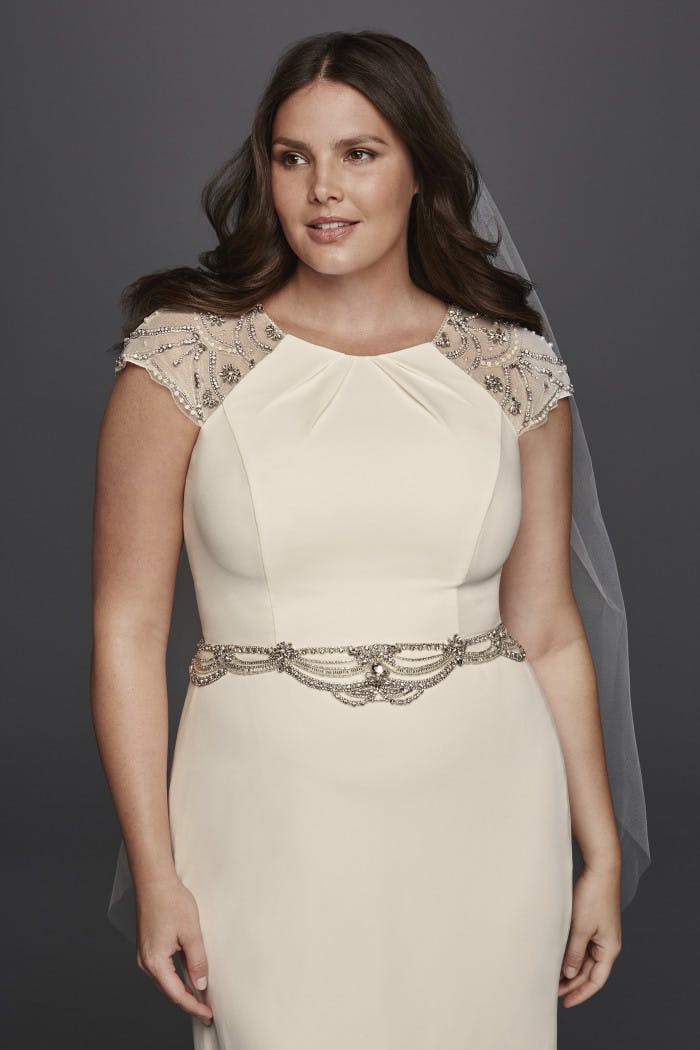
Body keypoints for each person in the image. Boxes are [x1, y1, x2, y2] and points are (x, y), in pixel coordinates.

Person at [91, 29, 648, 1050]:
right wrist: (157, 873)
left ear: (419, 169)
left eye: (360, 153)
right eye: (292, 156)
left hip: (488, 805)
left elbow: (549, 629)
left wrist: (601, 856)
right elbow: (127, 627)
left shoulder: (513, 368)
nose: (322, 190)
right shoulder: (182, 356)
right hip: (264, 807)